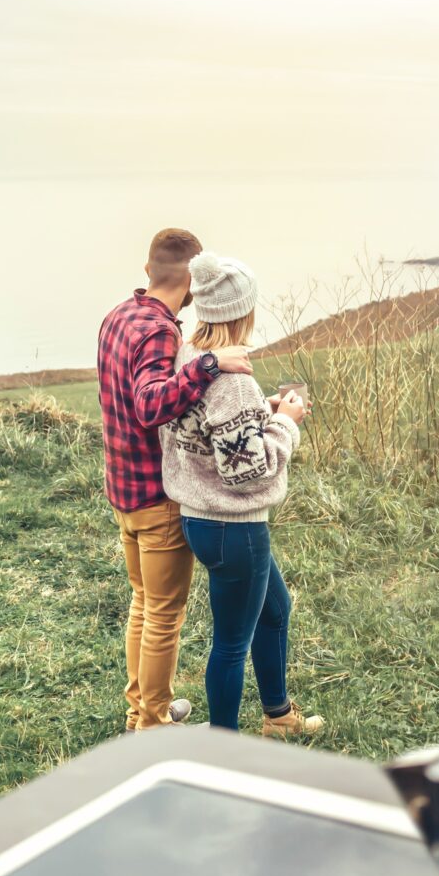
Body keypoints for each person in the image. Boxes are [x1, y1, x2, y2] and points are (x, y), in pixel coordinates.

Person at [97, 228, 253, 731]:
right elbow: (148, 404)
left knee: (143, 604)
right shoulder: (163, 331)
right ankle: (153, 724)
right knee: (164, 616)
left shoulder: (118, 316)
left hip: (121, 488)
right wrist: (209, 363)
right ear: (191, 281)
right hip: (155, 494)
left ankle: (141, 708)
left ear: (148, 271)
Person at [162, 252, 324, 736]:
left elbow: (212, 434)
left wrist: (263, 412)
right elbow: (248, 472)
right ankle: (223, 746)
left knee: (276, 610)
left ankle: (278, 716)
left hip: (199, 517)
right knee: (232, 643)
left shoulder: (190, 358)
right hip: (234, 528)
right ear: (243, 311)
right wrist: (285, 422)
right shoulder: (234, 381)